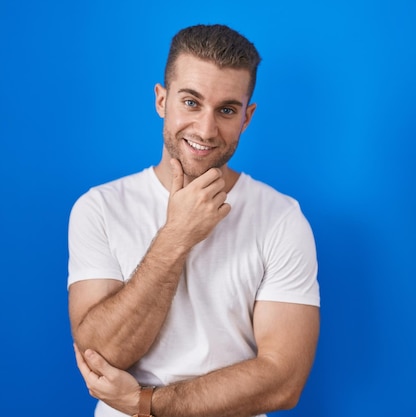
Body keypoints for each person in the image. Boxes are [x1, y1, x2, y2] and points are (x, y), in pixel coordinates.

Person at [68, 24, 320, 417]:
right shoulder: (99, 207)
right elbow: (101, 355)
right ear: (161, 100)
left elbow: (283, 380)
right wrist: (177, 236)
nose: (205, 129)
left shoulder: (281, 219)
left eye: (226, 110)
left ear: (247, 117)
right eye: (191, 102)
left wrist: (146, 403)